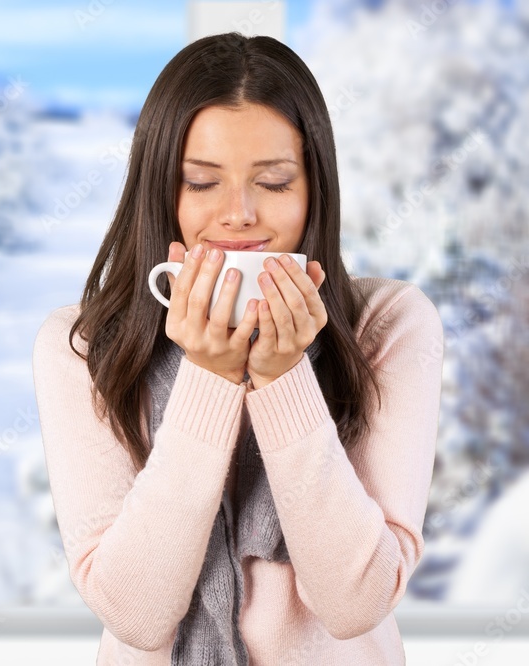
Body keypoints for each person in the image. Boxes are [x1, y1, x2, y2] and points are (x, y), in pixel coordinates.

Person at [32, 32, 444, 665]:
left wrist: (284, 381)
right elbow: (136, 614)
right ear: (160, 193)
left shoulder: (388, 326)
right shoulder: (83, 349)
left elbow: (354, 604)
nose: (239, 214)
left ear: (315, 193)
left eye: (274, 182)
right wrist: (210, 378)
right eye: (201, 183)